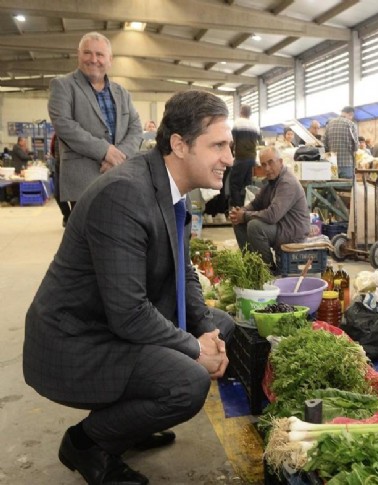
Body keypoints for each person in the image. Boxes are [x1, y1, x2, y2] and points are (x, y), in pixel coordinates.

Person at [24, 90, 236, 485]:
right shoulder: (124, 193)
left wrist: (206, 330)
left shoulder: (172, 189)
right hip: (75, 341)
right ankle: (86, 443)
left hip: (110, 323)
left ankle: (128, 425)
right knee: (186, 383)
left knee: (222, 325)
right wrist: (194, 348)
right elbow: (129, 313)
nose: (230, 157)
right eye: (218, 145)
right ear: (179, 144)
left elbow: (184, 270)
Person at [48, 31, 142, 208]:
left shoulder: (121, 92)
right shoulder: (63, 85)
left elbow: (135, 127)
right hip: (83, 180)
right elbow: (64, 125)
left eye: (100, 54)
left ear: (109, 59)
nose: (93, 59)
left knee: (119, 232)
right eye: (87, 53)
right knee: (87, 233)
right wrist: (105, 151)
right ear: (79, 54)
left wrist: (119, 156)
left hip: (120, 176)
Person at [230, 146, 310, 270]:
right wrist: (241, 212)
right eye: (263, 164)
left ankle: (267, 270)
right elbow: (256, 203)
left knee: (255, 226)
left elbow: (272, 216)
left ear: (280, 162)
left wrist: (244, 216)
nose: (267, 168)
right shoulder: (270, 182)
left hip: (292, 230)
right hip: (281, 226)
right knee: (238, 222)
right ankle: (252, 266)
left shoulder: (287, 183)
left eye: (270, 163)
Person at [229, 104, 261, 208]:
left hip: (241, 158)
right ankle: (246, 209)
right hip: (252, 158)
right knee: (247, 186)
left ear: (241, 112)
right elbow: (260, 141)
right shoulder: (255, 125)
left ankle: (237, 209)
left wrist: (230, 155)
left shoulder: (237, 123)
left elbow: (232, 142)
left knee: (234, 184)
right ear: (250, 113)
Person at [324, 106, 359, 179]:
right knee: (347, 188)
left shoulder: (330, 124)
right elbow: (355, 146)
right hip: (347, 164)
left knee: (333, 188)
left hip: (332, 164)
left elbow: (324, 144)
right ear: (350, 114)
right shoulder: (351, 124)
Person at [50, 134, 72, 227]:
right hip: (58, 166)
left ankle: (73, 221)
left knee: (73, 197)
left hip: (71, 167)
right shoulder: (55, 136)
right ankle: (67, 215)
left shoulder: (68, 134)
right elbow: (52, 151)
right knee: (57, 194)